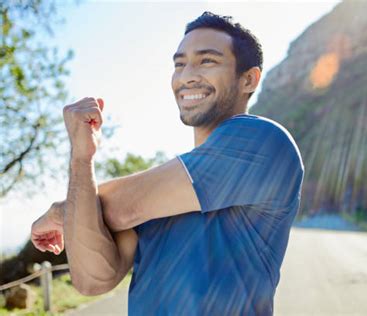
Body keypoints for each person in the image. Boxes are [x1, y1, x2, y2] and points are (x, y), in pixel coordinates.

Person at [31, 11, 304, 315]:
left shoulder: (262, 140)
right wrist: (81, 159)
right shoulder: (162, 192)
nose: (187, 75)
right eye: (179, 63)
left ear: (248, 79)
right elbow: (93, 280)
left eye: (207, 61)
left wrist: (61, 211)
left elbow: (122, 208)